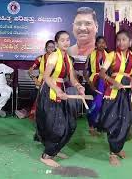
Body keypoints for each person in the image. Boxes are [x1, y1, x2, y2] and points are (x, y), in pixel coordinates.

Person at [36, 31, 85, 168]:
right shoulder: (53, 56)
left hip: (61, 91)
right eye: (62, 40)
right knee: (56, 125)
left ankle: (55, 150)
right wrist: (57, 90)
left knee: (70, 124)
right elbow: (46, 76)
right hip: (51, 91)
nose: (66, 42)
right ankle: (46, 155)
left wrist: (78, 86)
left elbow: (72, 77)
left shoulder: (67, 58)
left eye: (68, 40)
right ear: (56, 43)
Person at [98, 30, 132, 166]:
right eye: (118, 40)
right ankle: (113, 152)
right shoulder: (112, 55)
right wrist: (113, 81)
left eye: (123, 40)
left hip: (129, 92)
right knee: (116, 121)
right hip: (115, 91)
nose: (120, 42)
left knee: (130, 122)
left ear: (129, 42)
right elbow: (102, 73)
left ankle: (118, 147)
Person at [15, 40, 56, 119]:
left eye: (53, 47)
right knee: (34, 96)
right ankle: (28, 112)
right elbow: (30, 70)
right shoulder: (40, 58)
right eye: (49, 47)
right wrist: (34, 79)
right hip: (40, 83)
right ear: (45, 48)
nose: (51, 49)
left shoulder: (58, 59)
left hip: (53, 83)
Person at [83, 36, 108, 136]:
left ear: (105, 44)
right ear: (96, 44)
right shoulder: (90, 55)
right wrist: (89, 82)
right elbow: (85, 71)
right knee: (93, 105)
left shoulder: (110, 56)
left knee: (103, 105)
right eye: (99, 42)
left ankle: (100, 126)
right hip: (93, 82)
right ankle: (91, 126)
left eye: (103, 42)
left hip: (106, 82)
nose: (101, 44)